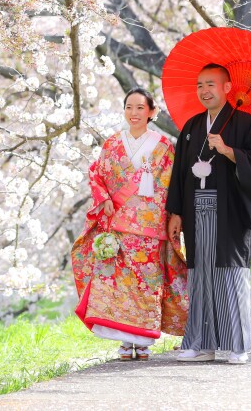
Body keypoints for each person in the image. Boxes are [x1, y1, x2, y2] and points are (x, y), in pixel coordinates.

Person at [166, 63, 251, 365]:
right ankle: (201, 344)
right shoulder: (191, 127)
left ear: (227, 88)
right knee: (200, 275)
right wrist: (175, 212)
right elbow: (179, 173)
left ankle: (237, 345)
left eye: (211, 84)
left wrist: (229, 151)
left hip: (230, 210)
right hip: (195, 207)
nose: (204, 90)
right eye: (200, 85)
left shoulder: (244, 124)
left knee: (229, 273)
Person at [72, 87, 188, 361]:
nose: (134, 113)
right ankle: (125, 340)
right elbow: (97, 175)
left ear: (151, 112)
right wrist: (103, 200)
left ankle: (144, 340)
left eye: (140, 108)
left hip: (150, 226)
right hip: (118, 224)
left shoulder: (163, 146)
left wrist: (174, 215)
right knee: (119, 285)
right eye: (129, 107)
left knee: (147, 283)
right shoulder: (112, 144)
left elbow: (173, 185)